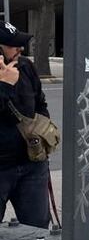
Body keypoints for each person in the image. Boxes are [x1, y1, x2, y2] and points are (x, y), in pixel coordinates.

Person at [0, 23, 50, 228]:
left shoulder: (25, 67)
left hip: (31, 163)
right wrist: (4, 85)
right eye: (14, 46)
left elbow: (39, 102)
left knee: (38, 227)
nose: (20, 49)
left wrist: (43, 132)